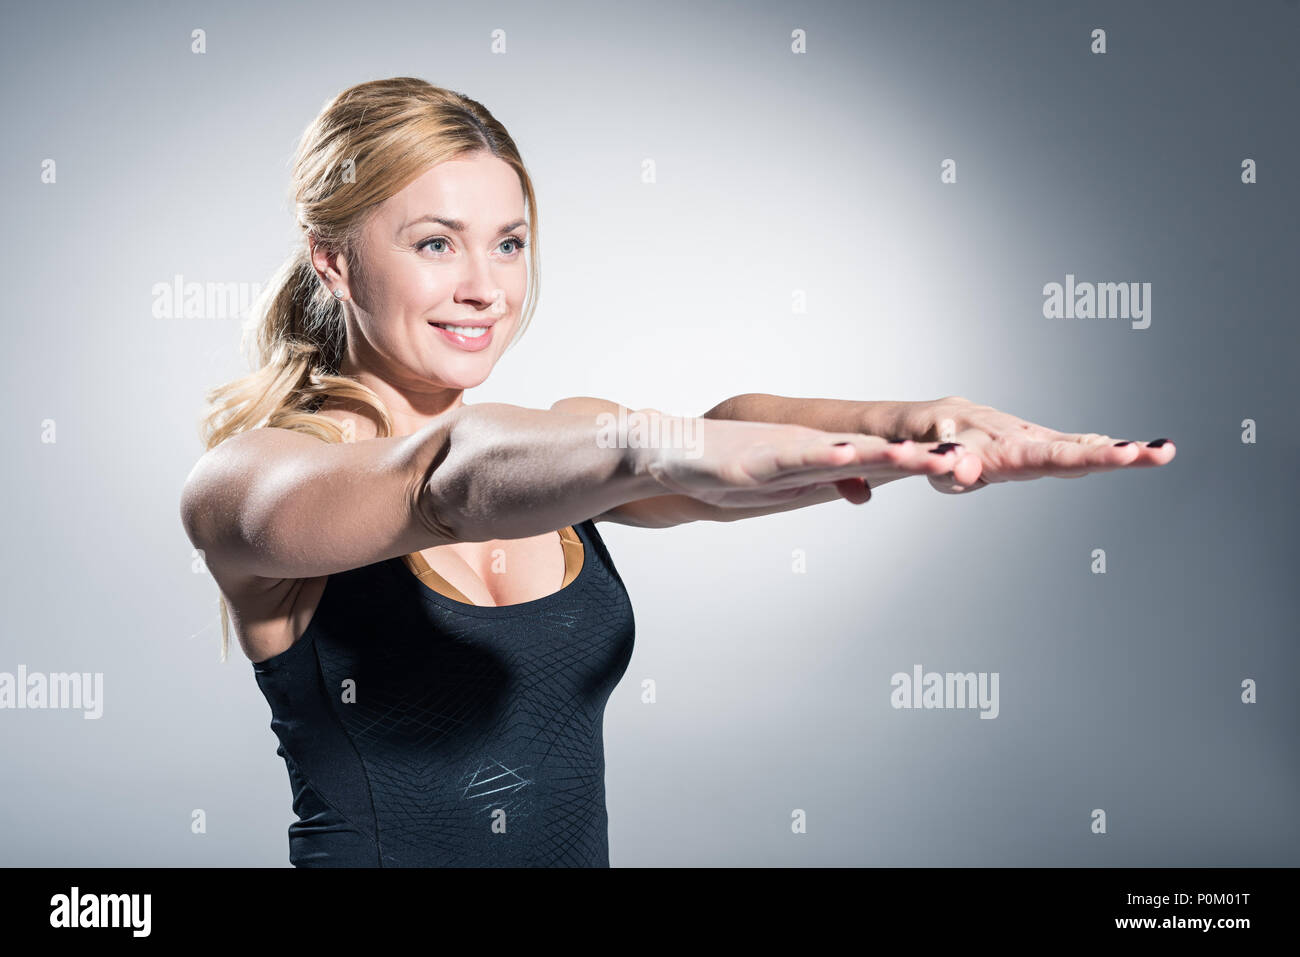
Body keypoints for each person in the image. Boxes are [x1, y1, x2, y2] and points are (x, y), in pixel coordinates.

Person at [178, 77, 1174, 867]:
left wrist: (914, 425)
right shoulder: (255, 481)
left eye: (509, 243)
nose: (483, 287)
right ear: (335, 262)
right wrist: (655, 451)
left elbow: (719, 431)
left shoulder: (560, 447)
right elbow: (449, 480)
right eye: (434, 244)